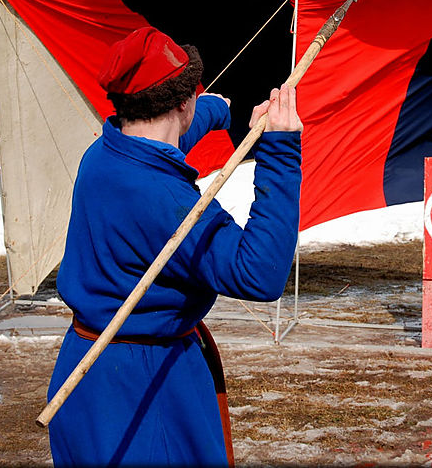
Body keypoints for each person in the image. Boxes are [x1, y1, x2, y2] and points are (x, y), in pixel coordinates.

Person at [46, 25, 302, 467]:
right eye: (191, 99)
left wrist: (217, 110)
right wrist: (280, 149)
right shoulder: (164, 199)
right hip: (145, 390)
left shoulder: (106, 151)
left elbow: (165, 137)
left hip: (87, 372)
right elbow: (258, 275)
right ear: (180, 102)